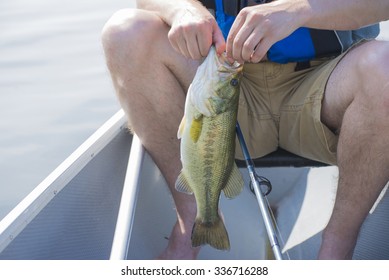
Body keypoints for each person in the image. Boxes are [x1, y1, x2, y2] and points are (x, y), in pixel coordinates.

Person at [101, 0, 389, 259]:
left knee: (385, 67)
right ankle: (191, 225)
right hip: (226, 90)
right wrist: (182, 10)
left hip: (325, 89)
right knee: (125, 32)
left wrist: (300, 10)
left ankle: (336, 252)